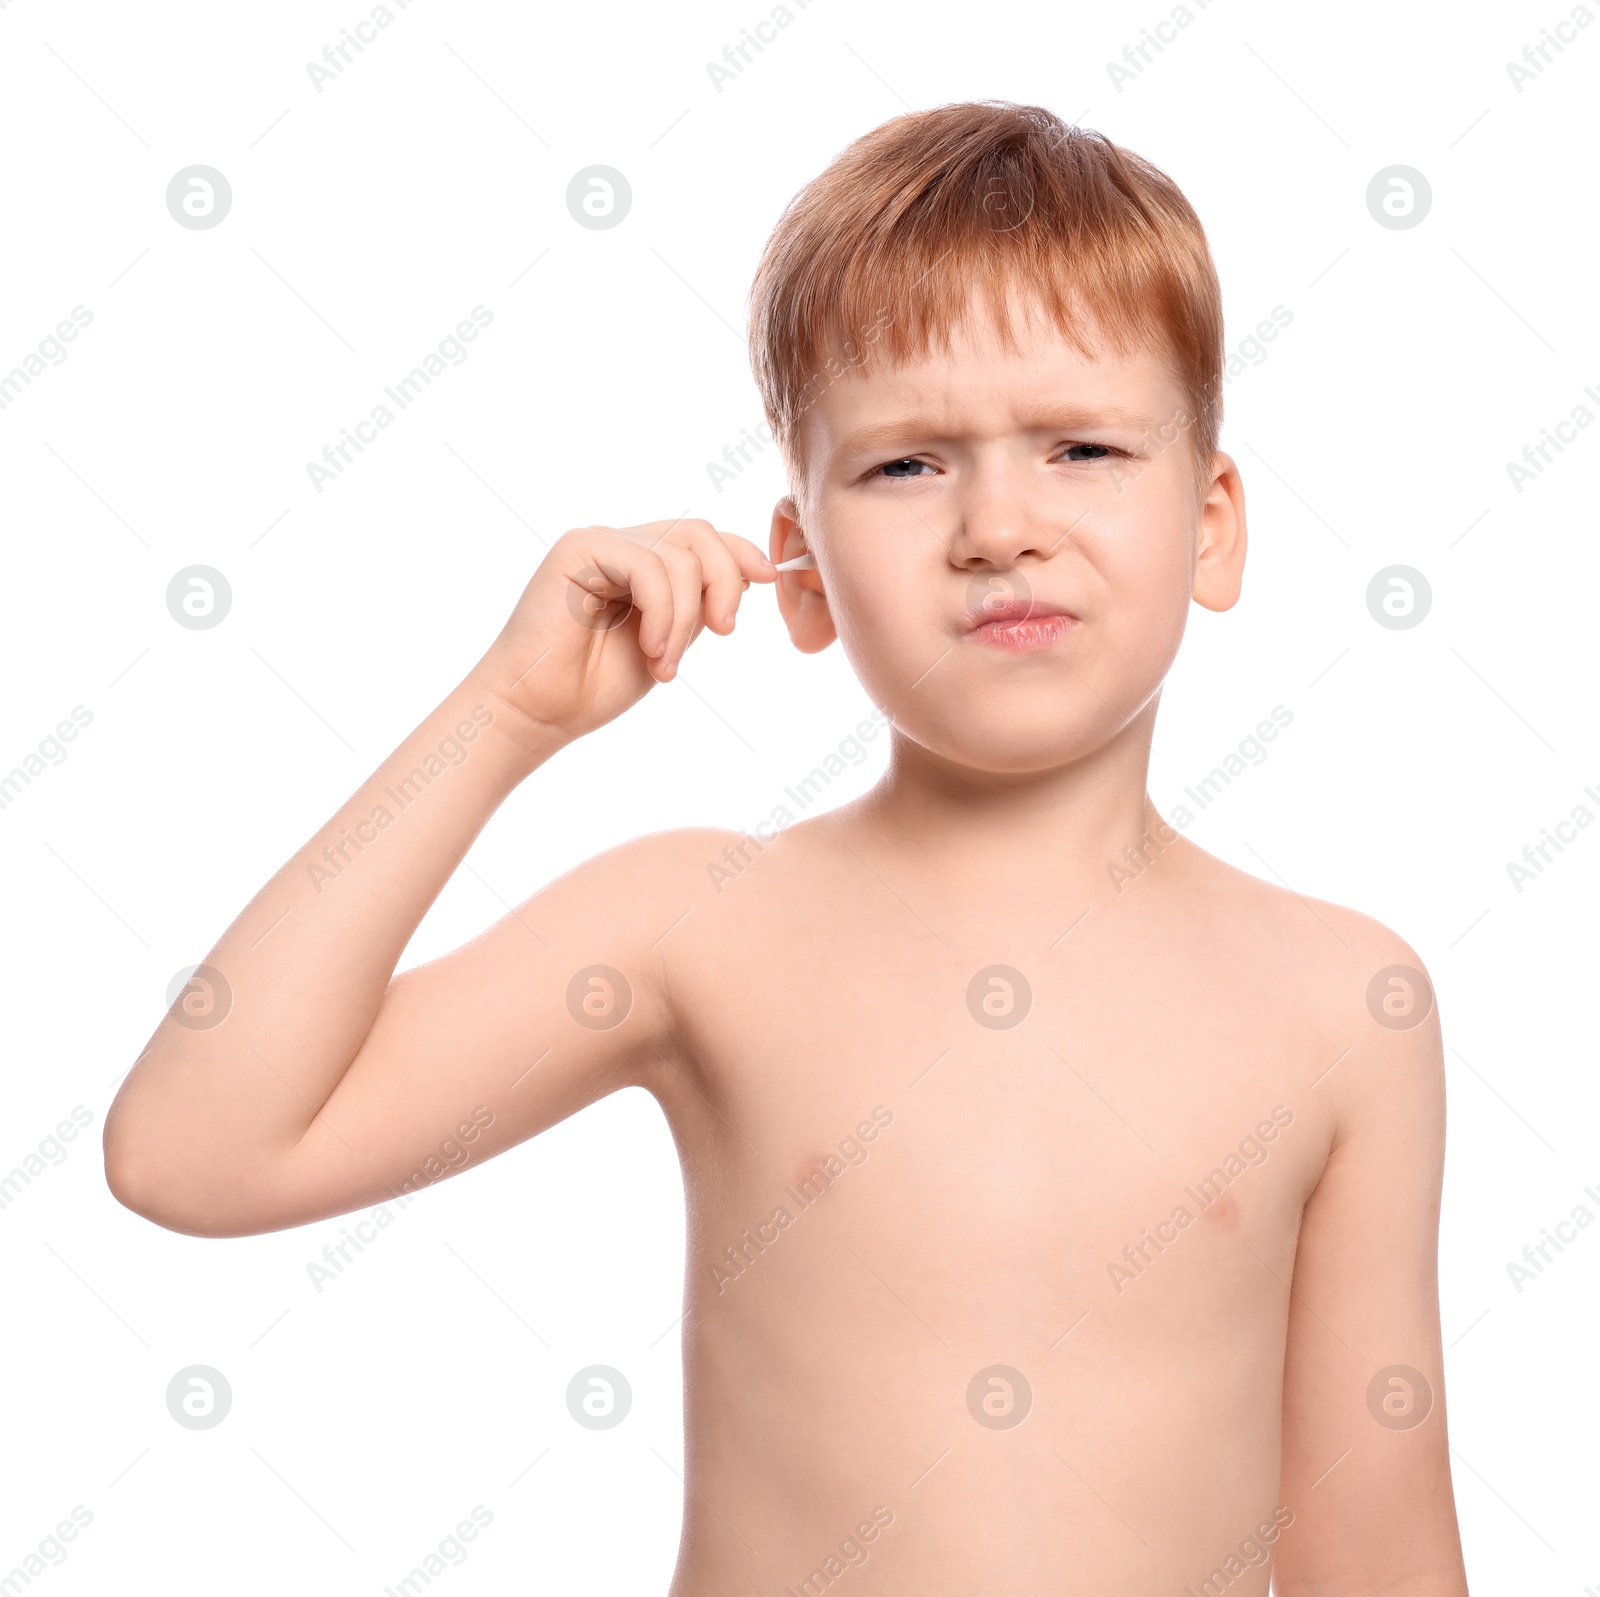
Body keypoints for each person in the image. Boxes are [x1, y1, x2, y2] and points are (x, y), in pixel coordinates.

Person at [104, 101, 1469, 1595]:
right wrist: (504, 716)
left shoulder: (1344, 1000)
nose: (999, 524)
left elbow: (1380, 1547)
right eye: (905, 467)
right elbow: (193, 1151)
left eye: (1080, 445)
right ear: (802, 568)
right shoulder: (702, 925)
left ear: (1212, 524)